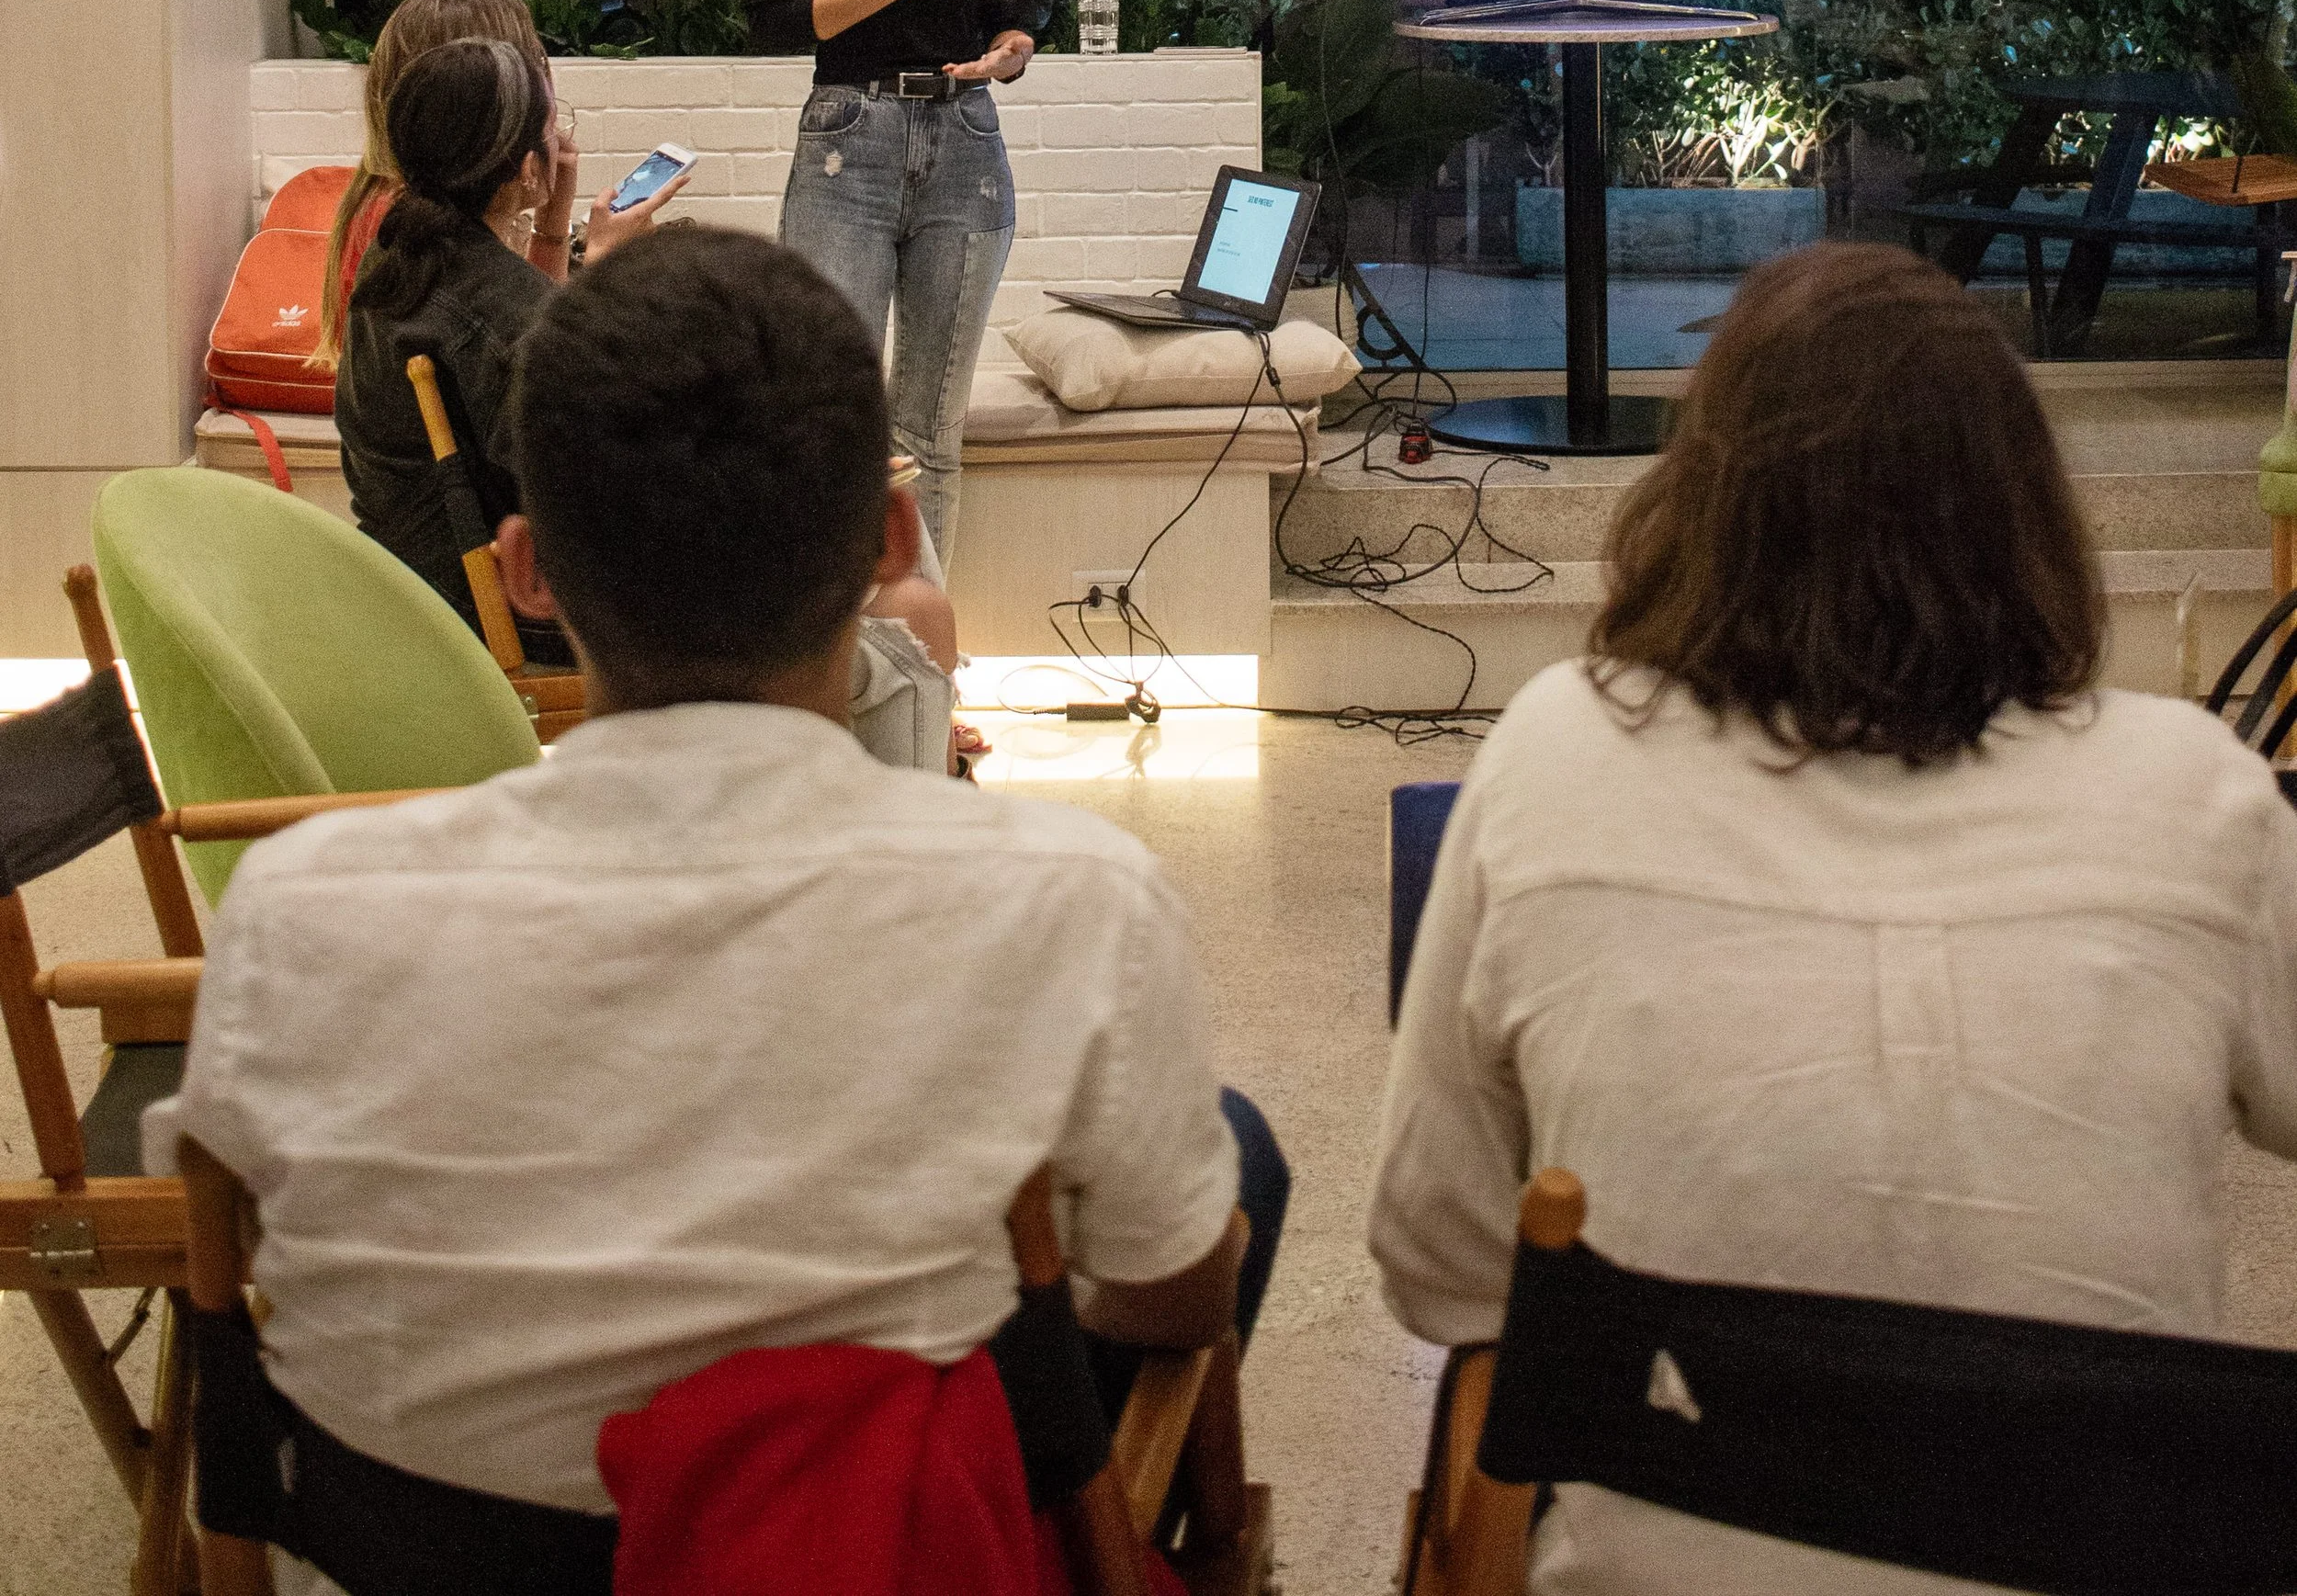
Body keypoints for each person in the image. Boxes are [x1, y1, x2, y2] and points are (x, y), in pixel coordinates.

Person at [153, 230, 1284, 1528]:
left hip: (405, 1556)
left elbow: (239, 1257)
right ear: (889, 542)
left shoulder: (296, 911)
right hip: (873, 1546)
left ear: (527, 572)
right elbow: (1173, 1296)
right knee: (1228, 1157)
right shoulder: (1076, 901)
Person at [1369, 239, 2297, 1596]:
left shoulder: (1554, 754)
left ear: (1706, 496)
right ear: (2026, 509)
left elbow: (1440, 1265)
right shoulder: (2199, 795)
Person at [760, 0, 1035, 560]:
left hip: (965, 139)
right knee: (831, 417)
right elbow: (774, 14)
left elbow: (1020, 3)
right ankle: (828, 657)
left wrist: (1012, 49)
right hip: (851, 143)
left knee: (931, 429)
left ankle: (924, 662)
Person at [331, 37, 662, 643]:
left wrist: (555, 216)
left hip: (403, 582)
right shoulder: (498, 309)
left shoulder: (397, 250)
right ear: (527, 165)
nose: (560, 141)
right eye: (549, 129)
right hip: (495, 610)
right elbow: (592, 481)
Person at [315, 0, 578, 373]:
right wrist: (607, 274)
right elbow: (540, 373)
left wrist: (553, 220)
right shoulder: (415, 229)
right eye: (532, 63)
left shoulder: (426, 207)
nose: (545, 82)